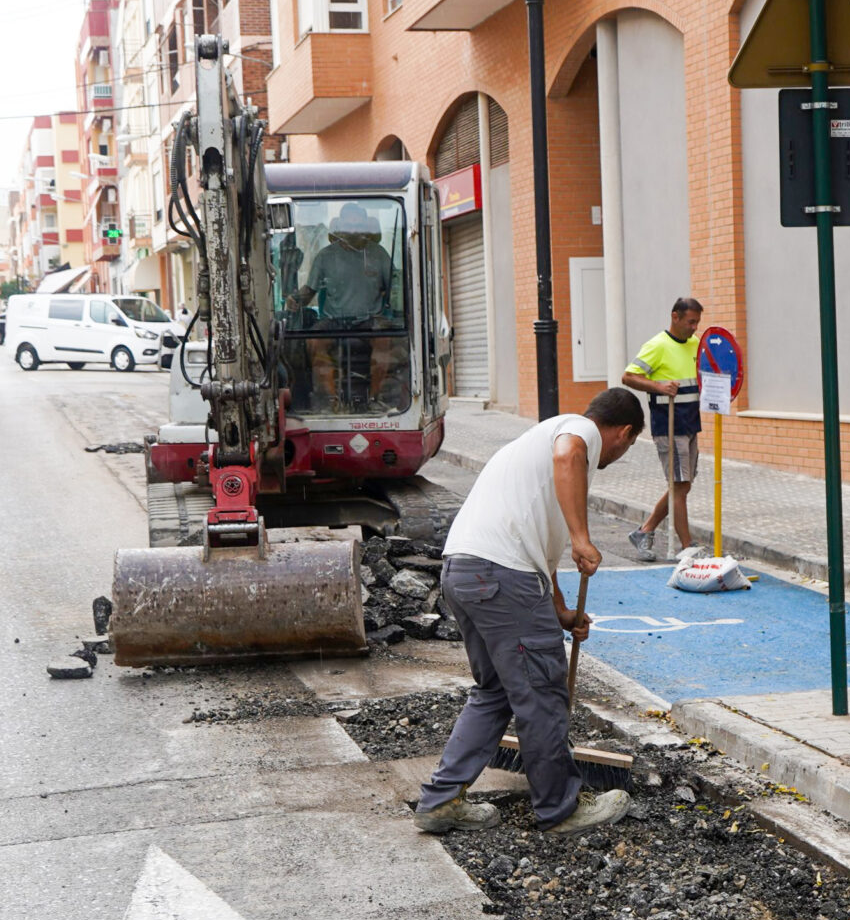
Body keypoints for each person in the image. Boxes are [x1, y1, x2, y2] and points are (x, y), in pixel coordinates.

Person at [415, 389, 647, 836]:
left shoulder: (533, 450)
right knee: (541, 693)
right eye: (629, 445)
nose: (621, 452)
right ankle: (560, 809)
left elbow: (539, 552)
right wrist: (582, 537)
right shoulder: (576, 433)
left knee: (496, 691)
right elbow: (571, 454)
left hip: (465, 571)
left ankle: (440, 802)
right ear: (623, 432)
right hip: (503, 578)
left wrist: (560, 611)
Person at [289, 203, 408, 413]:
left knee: (386, 340)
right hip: (334, 320)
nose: (353, 227)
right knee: (313, 342)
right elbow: (309, 290)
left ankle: (375, 400)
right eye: (349, 222)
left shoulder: (378, 254)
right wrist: (295, 301)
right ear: (340, 226)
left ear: (365, 226)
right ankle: (332, 400)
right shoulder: (326, 256)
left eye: (358, 222)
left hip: (370, 320)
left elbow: (395, 289)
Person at [618, 297, 705, 560]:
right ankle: (686, 546)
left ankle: (645, 531)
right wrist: (659, 386)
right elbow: (628, 376)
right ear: (675, 317)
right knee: (679, 484)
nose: (694, 328)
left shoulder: (695, 344)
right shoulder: (657, 346)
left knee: (683, 485)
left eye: (697, 323)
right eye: (691, 322)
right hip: (669, 425)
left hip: (691, 423)